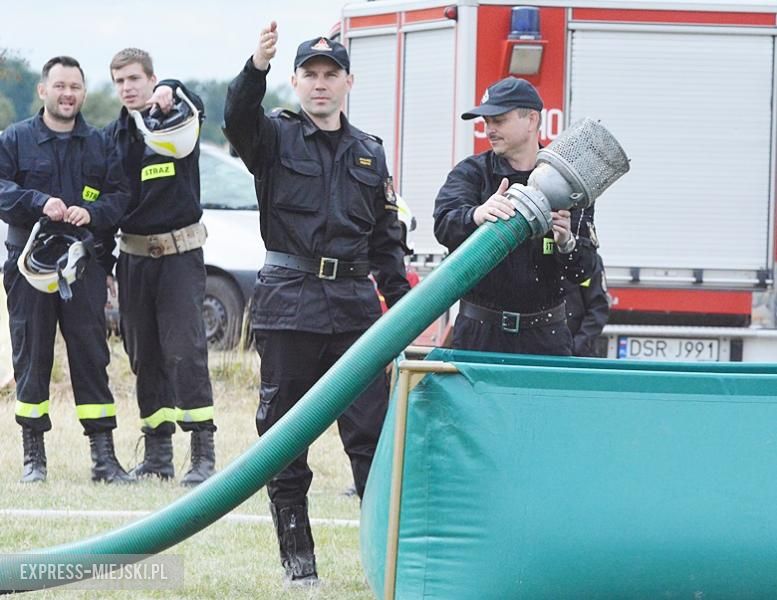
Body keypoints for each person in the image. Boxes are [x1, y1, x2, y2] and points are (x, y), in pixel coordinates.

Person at [224, 23, 410, 585]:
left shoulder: (369, 154)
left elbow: (386, 242)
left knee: (372, 440)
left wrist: (403, 312)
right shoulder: (272, 138)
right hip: (290, 303)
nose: (321, 85)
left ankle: (385, 566)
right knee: (284, 440)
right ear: (296, 81)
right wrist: (255, 65)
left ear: (349, 82)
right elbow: (236, 117)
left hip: (356, 310)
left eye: (332, 75)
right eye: (311, 75)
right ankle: (299, 569)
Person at [0, 56, 133, 483]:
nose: (67, 94)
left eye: (75, 86)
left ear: (83, 92)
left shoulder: (99, 144)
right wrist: (39, 202)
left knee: (92, 358)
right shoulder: (15, 139)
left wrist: (90, 214)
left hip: (83, 267)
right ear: (43, 91)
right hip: (30, 267)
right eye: (59, 86)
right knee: (31, 357)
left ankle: (104, 460)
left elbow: (119, 197)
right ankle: (34, 460)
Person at [104, 48, 216, 486]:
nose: (128, 87)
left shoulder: (176, 120)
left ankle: (202, 453)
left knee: (186, 352)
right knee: (144, 356)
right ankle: (157, 454)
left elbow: (196, 103)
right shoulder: (115, 136)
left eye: (135, 78)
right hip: (133, 259)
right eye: (119, 81)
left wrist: (173, 88)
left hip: (179, 256)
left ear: (151, 80)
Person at [433, 76, 597, 356]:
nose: (490, 130)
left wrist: (566, 243)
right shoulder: (472, 173)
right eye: (487, 122)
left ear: (531, 120)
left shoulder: (570, 184)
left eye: (499, 120)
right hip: (480, 336)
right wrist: (476, 215)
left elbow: (585, 270)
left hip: (546, 338)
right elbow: (443, 224)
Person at [564, 250, 610, 357]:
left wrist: (577, 345)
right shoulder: (541, 256)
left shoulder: (588, 260)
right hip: (547, 347)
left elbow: (598, 309)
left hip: (579, 353)